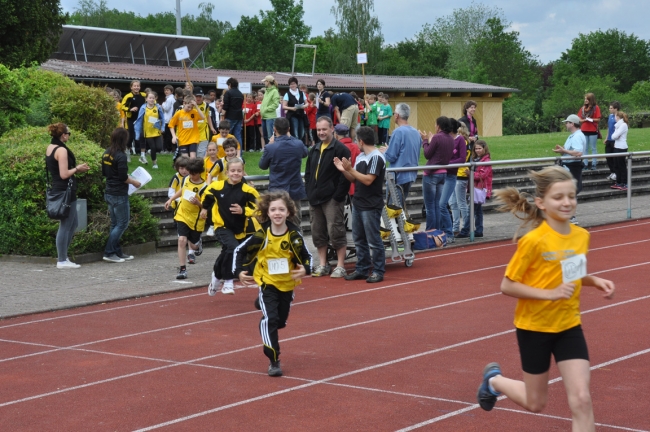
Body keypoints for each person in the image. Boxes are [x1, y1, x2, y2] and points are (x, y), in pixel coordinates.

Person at [477, 166, 615, 432]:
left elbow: (571, 272)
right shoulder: (533, 241)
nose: (567, 202)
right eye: (558, 197)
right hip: (534, 328)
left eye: (571, 196)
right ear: (541, 203)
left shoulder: (581, 236)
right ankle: (494, 382)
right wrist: (549, 294)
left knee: (582, 399)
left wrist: (595, 281)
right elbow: (507, 285)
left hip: (568, 326)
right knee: (535, 402)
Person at [234, 190, 312, 377]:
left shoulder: (294, 236)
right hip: (267, 282)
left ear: (288, 212)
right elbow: (239, 251)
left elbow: (307, 256)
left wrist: (305, 269)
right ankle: (274, 360)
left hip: (287, 284)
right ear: (267, 213)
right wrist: (239, 272)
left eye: (281, 209)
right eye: (273, 209)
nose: (277, 213)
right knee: (270, 320)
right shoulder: (261, 235)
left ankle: (263, 308)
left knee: (281, 321)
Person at [334, 126, 386, 283]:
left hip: (371, 204)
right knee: (358, 239)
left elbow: (368, 180)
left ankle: (378, 270)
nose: (356, 143)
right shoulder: (361, 157)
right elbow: (354, 179)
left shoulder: (376, 157)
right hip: (358, 202)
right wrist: (344, 170)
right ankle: (362, 269)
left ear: (361, 141)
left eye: (357, 140)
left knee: (373, 240)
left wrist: (350, 169)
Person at [202, 157, 259, 295]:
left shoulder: (248, 191)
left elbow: (260, 209)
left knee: (226, 253)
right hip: (221, 226)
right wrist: (204, 209)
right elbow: (207, 196)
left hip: (239, 229)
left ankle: (215, 277)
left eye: (239, 171)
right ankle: (228, 281)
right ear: (227, 172)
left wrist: (244, 211)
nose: (236, 173)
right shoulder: (217, 186)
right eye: (233, 171)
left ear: (243, 172)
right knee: (233, 248)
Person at [304, 116, 351, 278]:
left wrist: (338, 196)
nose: (321, 132)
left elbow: (345, 176)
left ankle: (340, 265)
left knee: (335, 230)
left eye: (324, 129)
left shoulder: (341, 149)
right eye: (318, 130)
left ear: (332, 129)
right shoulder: (314, 149)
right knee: (317, 231)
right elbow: (309, 173)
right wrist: (309, 191)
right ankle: (323, 264)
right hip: (315, 198)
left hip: (332, 198)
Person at [45, 123, 91, 269]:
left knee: (74, 223)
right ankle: (62, 260)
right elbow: (64, 174)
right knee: (65, 225)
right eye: (68, 133)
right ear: (63, 135)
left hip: (60, 189)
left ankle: (64, 257)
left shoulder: (50, 147)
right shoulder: (61, 150)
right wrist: (77, 168)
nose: (69, 136)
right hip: (65, 190)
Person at [101, 128, 142, 263]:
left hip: (109, 192)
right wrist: (134, 182)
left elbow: (105, 173)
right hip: (119, 194)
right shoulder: (121, 156)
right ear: (123, 140)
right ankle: (109, 252)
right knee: (122, 223)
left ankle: (117, 251)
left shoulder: (106, 153)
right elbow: (123, 177)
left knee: (115, 223)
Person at [259, 117, 307, 228]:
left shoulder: (271, 147)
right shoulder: (298, 144)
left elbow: (262, 166)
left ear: (274, 129)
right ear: (289, 129)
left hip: (277, 189)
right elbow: (305, 153)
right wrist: (292, 138)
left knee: (277, 224)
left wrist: (270, 145)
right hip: (294, 189)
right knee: (295, 223)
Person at [164, 158, 207, 280]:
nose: (191, 176)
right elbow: (182, 190)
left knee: (193, 246)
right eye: (190, 173)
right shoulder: (187, 179)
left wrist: (198, 203)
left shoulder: (204, 187)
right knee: (182, 240)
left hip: (196, 219)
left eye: (194, 174)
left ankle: (198, 244)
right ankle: (183, 269)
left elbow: (206, 205)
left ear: (200, 172)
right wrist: (171, 199)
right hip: (182, 214)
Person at [380, 103, 421, 208]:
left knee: (393, 210)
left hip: (398, 177)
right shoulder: (416, 132)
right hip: (411, 175)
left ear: (397, 115)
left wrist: (385, 152)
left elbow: (391, 156)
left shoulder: (398, 132)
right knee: (400, 209)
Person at [421, 116, 454, 231]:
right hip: (443, 173)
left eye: (436, 124)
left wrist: (425, 141)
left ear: (439, 126)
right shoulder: (450, 138)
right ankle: (438, 231)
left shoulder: (437, 137)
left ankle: (430, 232)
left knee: (430, 206)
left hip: (431, 173)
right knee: (436, 205)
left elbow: (427, 154)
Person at [439, 118, 468, 242]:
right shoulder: (445, 139)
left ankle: (452, 232)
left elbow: (462, 158)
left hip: (451, 175)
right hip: (441, 174)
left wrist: (447, 163)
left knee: (443, 204)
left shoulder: (460, 139)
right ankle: (447, 230)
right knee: (446, 204)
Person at [553, 114, 585, 225]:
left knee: (571, 191)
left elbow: (578, 152)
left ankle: (571, 217)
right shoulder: (573, 135)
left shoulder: (577, 136)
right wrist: (562, 151)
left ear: (572, 124)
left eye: (567, 122)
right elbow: (572, 151)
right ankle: (568, 216)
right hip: (569, 166)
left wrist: (564, 151)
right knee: (567, 191)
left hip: (572, 167)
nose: (566, 124)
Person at [457, 140, 492, 238]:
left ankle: (465, 230)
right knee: (477, 210)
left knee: (471, 210)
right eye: (476, 148)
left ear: (484, 149)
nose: (477, 150)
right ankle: (479, 230)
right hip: (476, 187)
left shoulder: (486, 161)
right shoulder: (476, 159)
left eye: (479, 148)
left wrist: (470, 173)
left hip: (479, 188)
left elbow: (483, 175)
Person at [134, 91, 165, 168]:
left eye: (153, 98)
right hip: (147, 132)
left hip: (157, 131)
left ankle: (151, 152)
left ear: (155, 99)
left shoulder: (158, 107)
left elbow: (162, 118)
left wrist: (162, 127)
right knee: (153, 147)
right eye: (150, 98)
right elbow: (139, 120)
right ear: (146, 99)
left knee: (159, 148)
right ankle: (154, 164)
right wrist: (138, 132)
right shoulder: (143, 108)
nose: (151, 99)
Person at [451, 123, 472, 236]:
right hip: (456, 173)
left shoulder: (462, 141)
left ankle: (466, 227)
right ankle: (456, 227)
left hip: (461, 173)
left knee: (461, 202)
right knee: (453, 202)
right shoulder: (464, 141)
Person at [120, 80, 147, 156]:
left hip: (142, 119)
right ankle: (128, 152)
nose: (136, 87)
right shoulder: (128, 96)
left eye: (138, 86)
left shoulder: (144, 95)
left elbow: (153, 101)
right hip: (131, 118)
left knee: (141, 136)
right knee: (131, 136)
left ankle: (141, 154)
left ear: (140, 87)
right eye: (134, 86)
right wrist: (130, 109)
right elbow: (122, 106)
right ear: (131, 87)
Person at [333, 124, 360, 199]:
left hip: (341, 186)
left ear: (336, 135)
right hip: (355, 184)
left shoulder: (336, 148)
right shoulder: (356, 146)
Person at [578, 93, 601, 171]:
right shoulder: (583, 108)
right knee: (585, 148)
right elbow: (579, 119)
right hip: (584, 130)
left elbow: (598, 119)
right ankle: (585, 163)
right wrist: (584, 120)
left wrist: (591, 119)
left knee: (593, 147)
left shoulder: (596, 108)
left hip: (592, 130)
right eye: (585, 99)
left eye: (587, 99)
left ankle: (594, 164)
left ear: (591, 100)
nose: (585, 101)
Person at [194, 87, 218, 158]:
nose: (198, 98)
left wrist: (212, 127)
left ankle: (201, 167)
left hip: (203, 133)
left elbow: (208, 117)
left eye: (200, 96)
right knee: (194, 153)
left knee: (201, 153)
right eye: (196, 96)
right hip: (192, 134)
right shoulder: (190, 106)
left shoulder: (206, 105)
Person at [221, 78, 244, 146]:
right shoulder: (240, 93)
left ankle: (226, 150)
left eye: (228, 85)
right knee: (238, 135)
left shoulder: (228, 93)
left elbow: (226, 106)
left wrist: (222, 115)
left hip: (230, 116)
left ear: (230, 84)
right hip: (239, 116)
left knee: (226, 134)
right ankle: (239, 153)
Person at [610, 111, 629, 191]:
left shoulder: (623, 125)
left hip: (621, 147)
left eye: (615, 116)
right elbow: (613, 136)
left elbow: (615, 136)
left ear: (617, 117)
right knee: (616, 165)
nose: (614, 118)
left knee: (622, 166)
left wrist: (616, 135)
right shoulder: (617, 125)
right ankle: (618, 182)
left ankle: (624, 183)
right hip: (616, 146)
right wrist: (615, 135)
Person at [260, 75, 280, 143]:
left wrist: (266, 109)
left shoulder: (275, 91)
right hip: (264, 117)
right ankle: (267, 151)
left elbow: (276, 104)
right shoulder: (266, 91)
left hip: (270, 117)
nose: (264, 82)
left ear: (268, 82)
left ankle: (272, 151)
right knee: (265, 136)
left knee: (271, 136)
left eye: (265, 81)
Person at [604, 101, 621, 181]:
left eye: (611, 108)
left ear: (616, 109)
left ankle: (616, 173)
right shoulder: (610, 116)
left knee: (615, 158)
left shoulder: (618, 117)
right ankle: (612, 171)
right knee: (608, 156)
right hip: (609, 140)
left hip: (615, 140)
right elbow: (609, 128)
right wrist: (606, 138)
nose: (609, 109)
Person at [161, 85, 175, 154]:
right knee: (167, 135)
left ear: (171, 91)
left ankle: (168, 149)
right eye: (165, 90)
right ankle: (167, 148)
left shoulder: (169, 99)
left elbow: (166, 108)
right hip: (168, 119)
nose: (166, 91)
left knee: (167, 135)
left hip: (168, 119)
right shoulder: (169, 98)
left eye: (168, 90)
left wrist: (163, 104)